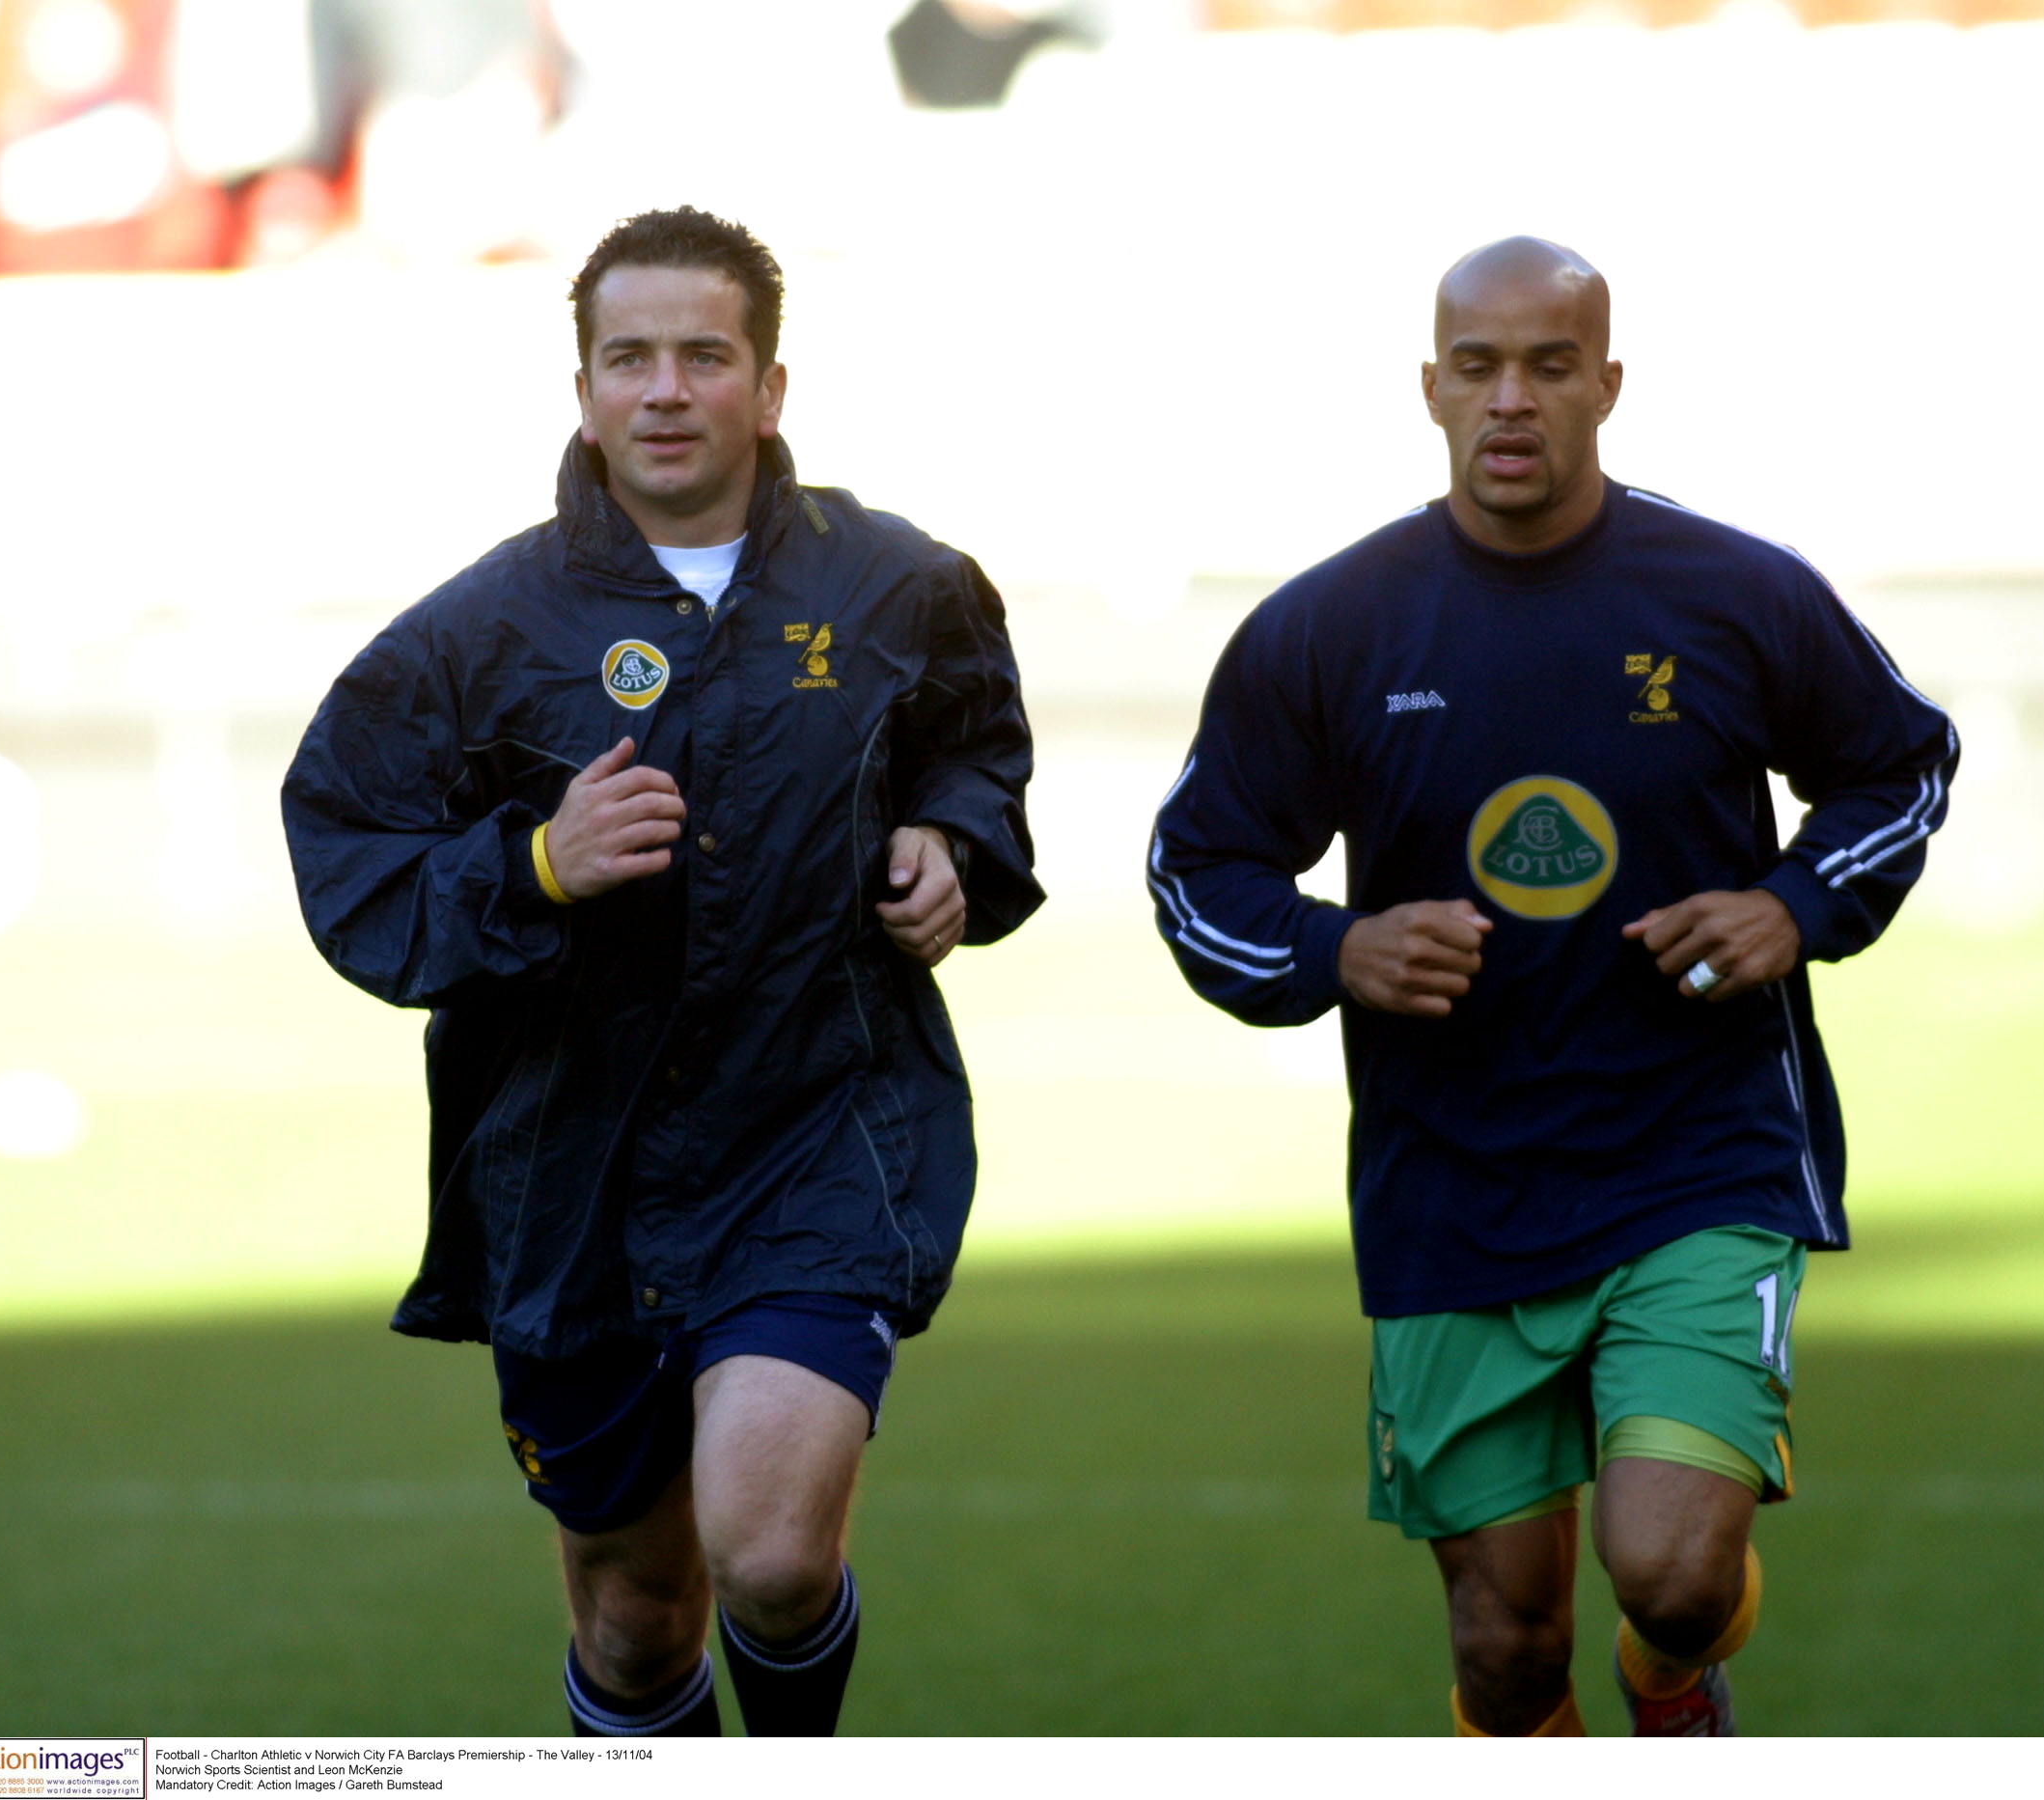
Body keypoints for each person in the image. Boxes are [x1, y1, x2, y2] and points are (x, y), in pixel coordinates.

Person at [1148, 236, 1955, 1736]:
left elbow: (1898, 761)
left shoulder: (1736, 594)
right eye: (1476, 366)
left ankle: (1675, 1666)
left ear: (1606, 382)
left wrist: (1794, 901)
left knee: (1667, 1568)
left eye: (1546, 363)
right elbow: (1197, 871)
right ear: (1429, 389)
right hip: (1450, 1181)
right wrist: (1338, 949)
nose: (1509, 397)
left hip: (1696, 1151)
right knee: (1508, 1646)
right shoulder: (1329, 627)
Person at [284, 206, 1040, 1737]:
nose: (665, 389)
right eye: (628, 358)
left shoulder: (902, 585)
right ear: (583, 392)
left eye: (705, 355)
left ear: (769, 387)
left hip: (815, 1133)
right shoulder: (476, 630)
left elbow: (977, 755)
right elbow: (345, 851)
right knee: (637, 1621)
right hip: (568, 1180)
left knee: (766, 1552)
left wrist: (955, 843)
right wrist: (532, 864)